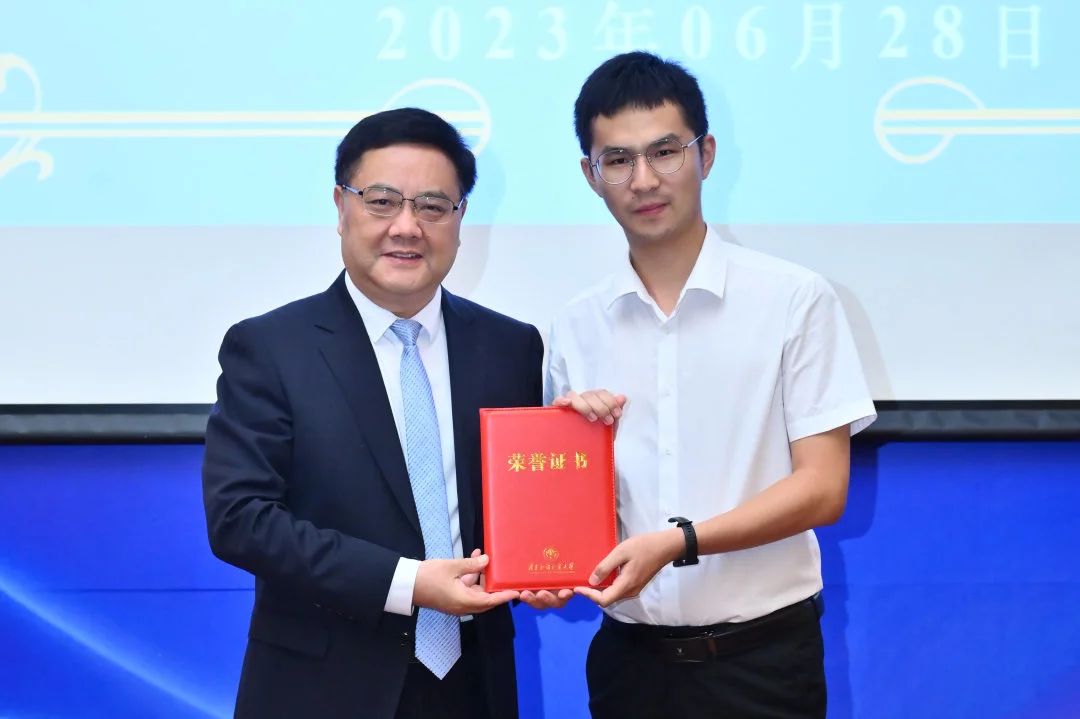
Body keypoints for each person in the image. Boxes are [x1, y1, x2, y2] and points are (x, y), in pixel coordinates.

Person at [544, 52, 877, 718]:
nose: (644, 179)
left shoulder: (794, 299)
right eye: (618, 160)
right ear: (591, 175)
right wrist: (562, 503)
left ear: (706, 153)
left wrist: (680, 541)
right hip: (629, 666)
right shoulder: (575, 325)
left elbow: (823, 487)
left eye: (665, 151)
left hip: (763, 664)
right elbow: (579, 522)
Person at [202, 107, 542, 719]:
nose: (407, 227)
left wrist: (547, 564)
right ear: (341, 207)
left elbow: (525, 506)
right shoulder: (272, 348)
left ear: (461, 218)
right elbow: (241, 519)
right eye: (382, 202)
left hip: (476, 685)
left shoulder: (510, 347)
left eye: (433, 206)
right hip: (322, 688)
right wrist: (407, 583)